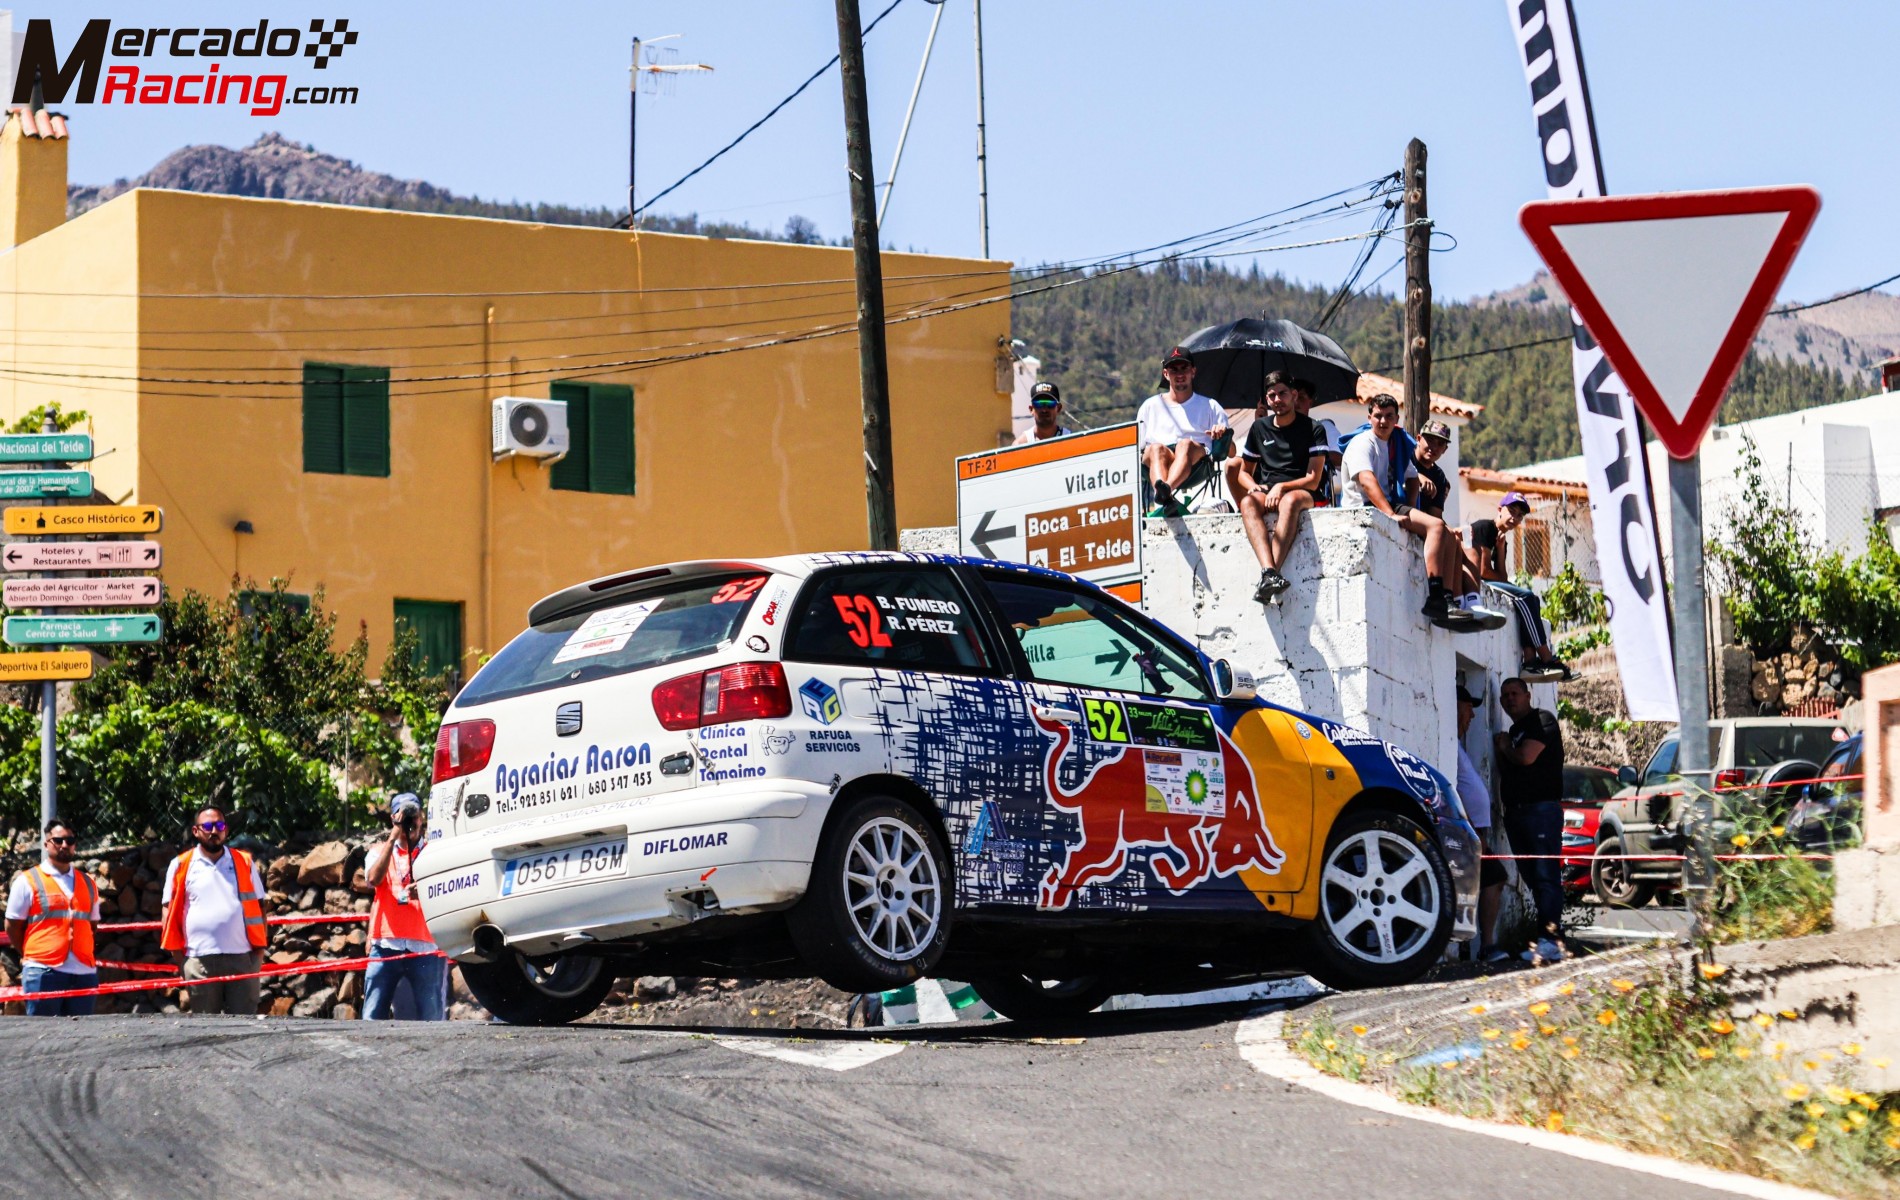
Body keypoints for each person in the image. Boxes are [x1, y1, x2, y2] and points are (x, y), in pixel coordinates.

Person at [1338, 393, 1472, 626]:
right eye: (1378, 416)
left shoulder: (1396, 445)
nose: (1383, 421)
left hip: (1391, 502)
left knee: (1442, 530)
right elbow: (1368, 482)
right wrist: (1390, 516)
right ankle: (1437, 596)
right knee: (1435, 526)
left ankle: (1444, 600)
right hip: (1365, 505)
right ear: (1369, 417)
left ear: (1396, 419)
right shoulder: (1362, 443)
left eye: (1388, 416)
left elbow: (1411, 478)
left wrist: (1408, 507)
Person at [160, 804, 269, 1015]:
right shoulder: (180, 865)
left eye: (219, 825)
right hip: (199, 963)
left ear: (226, 830)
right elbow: (168, 911)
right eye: (208, 826)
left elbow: (260, 908)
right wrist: (182, 962)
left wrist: (258, 956)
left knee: (245, 1033)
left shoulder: (244, 862)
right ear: (196, 831)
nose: (214, 831)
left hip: (242, 960)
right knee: (208, 1034)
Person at [1227, 370, 1324, 603]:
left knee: (1290, 501)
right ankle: (1269, 572)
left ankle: (1273, 572)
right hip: (1269, 491)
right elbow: (1244, 472)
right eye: (1272, 396)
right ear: (1267, 400)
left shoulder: (1313, 428)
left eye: (1282, 393)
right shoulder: (1259, 428)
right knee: (1248, 502)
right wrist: (1253, 487)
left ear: (1293, 395)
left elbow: (1313, 478)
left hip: (1303, 491)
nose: (1277, 400)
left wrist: (1281, 487)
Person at [1495, 677, 1566, 964]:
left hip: (1541, 810)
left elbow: (1525, 758)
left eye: (1515, 693)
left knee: (1546, 876)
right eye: (1505, 695)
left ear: (1527, 695)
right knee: (1533, 879)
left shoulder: (1542, 720)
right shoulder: (1514, 730)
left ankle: (1552, 941)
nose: (1510, 699)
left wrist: (1503, 746)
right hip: (1517, 812)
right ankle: (1546, 937)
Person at [1462, 493, 1569, 681]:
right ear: (1499, 510)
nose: (1515, 518)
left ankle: (1530, 661)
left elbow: (1501, 577)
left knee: (1532, 599)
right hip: (1473, 581)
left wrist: (1501, 550)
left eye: (1520, 515)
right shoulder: (1485, 527)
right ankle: (1545, 656)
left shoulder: (1500, 537)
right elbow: (1484, 571)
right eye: (1511, 511)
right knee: (1525, 596)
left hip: (1487, 580)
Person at [5, 818, 101, 1016]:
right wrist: (31, 954)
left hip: (83, 972)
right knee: (44, 1039)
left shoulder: (89, 883)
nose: (64, 845)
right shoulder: (27, 881)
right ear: (46, 843)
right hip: (43, 971)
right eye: (58, 840)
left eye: (70, 840)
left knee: (83, 1041)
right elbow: (12, 926)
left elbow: (92, 925)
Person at [363, 793, 446, 1021]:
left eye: (415, 816)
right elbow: (373, 880)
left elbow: (447, 890)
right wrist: (392, 838)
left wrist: (427, 891)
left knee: (432, 1017)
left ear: (422, 818)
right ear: (393, 818)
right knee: (372, 1015)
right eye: (405, 816)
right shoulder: (377, 851)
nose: (411, 822)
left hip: (424, 947)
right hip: (386, 944)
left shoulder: (433, 852)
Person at [1137, 346, 1227, 517]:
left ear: (1193, 371)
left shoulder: (1210, 405)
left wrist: (1222, 434)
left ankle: (1165, 491)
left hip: (1196, 466)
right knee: (1155, 448)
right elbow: (1137, 449)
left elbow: (1230, 452)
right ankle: (1165, 494)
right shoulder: (1149, 406)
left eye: (1184, 368)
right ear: (1165, 374)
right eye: (1174, 369)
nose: (1179, 374)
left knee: (1185, 444)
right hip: (1158, 460)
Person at [1453, 687, 1508, 963]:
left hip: (1474, 829)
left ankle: (1476, 946)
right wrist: (1472, 829)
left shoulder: (1457, 745)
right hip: (1468, 830)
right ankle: (1483, 946)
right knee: (1492, 877)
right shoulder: (1448, 743)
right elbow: (1453, 789)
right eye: (1467, 708)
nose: (1472, 715)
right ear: (1455, 707)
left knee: (1481, 882)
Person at [1288, 377, 1342, 503]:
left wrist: (1316, 454)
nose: (1296, 403)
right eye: (1292, 397)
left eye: (1301, 397)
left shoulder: (1323, 427)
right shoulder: (1274, 430)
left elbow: (1341, 459)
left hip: (1312, 491)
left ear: (1310, 402)